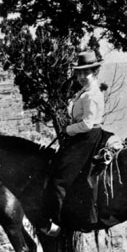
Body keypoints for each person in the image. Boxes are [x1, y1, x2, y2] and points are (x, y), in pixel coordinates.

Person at [41, 51, 107, 237]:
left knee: (60, 177)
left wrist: (68, 130)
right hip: (83, 136)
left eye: (85, 73)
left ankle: (59, 223)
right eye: (78, 73)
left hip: (87, 137)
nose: (81, 77)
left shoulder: (92, 94)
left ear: (95, 71)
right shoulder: (85, 92)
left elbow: (87, 124)